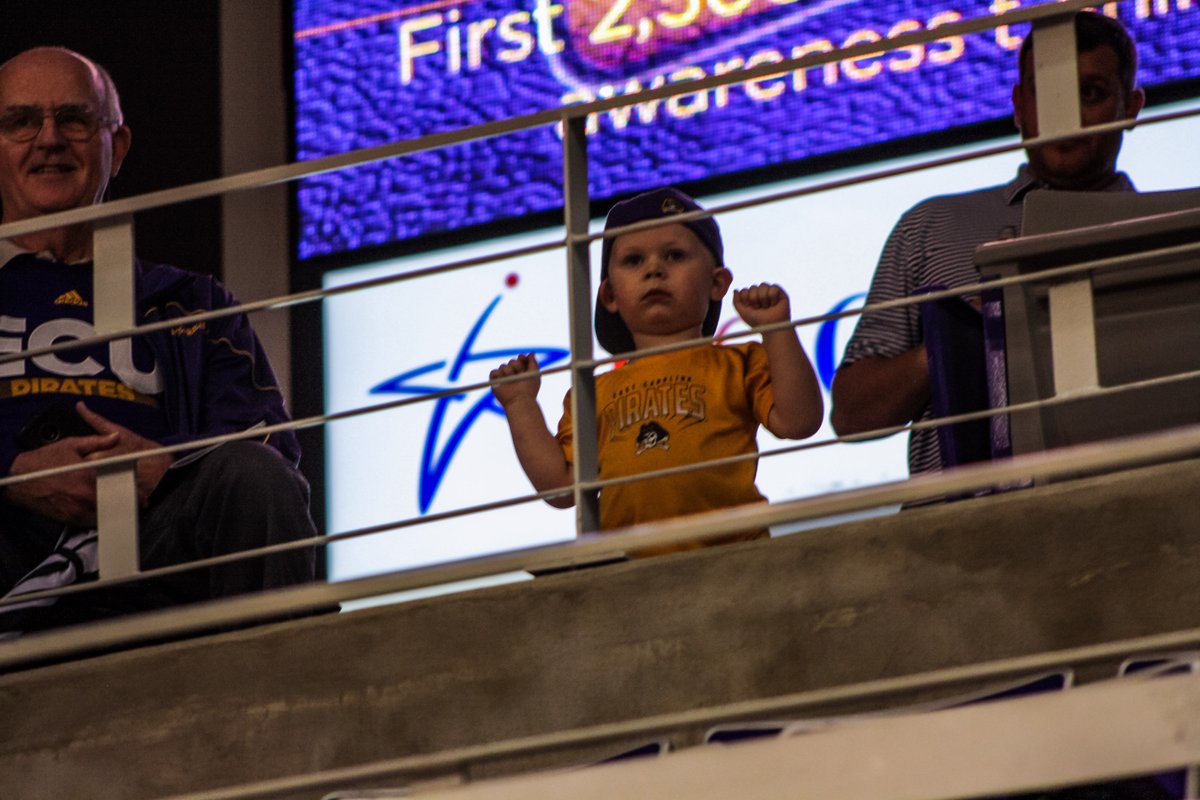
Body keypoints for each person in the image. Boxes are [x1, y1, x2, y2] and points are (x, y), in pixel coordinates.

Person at [0, 47, 318, 635]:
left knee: (256, 477)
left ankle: (283, 699)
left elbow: (267, 442)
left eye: (74, 119)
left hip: (157, 547)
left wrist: (160, 468)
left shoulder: (188, 300)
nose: (49, 139)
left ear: (114, 148)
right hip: (9, 541)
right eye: (21, 122)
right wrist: (16, 471)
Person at [830, 11, 1145, 475]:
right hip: (962, 531)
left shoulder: (1175, 235)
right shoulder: (930, 227)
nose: (1067, 115)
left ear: (1131, 106)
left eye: (1091, 93)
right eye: (1048, 93)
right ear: (1020, 104)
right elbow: (854, 415)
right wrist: (962, 331)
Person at [491, 187, 824, 554]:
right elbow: (561, 487)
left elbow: (799, 421)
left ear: (717, 283)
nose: (654, 269)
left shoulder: (740, 361)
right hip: (631, 576)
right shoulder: (591, 392)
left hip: (737, 558)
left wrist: (777, 330)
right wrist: (520, 404)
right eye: (633, 260)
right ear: (610, 296)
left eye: (674, 255)